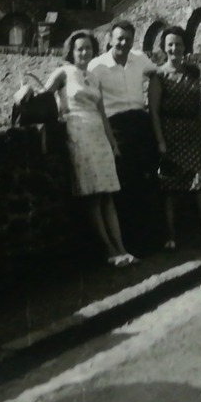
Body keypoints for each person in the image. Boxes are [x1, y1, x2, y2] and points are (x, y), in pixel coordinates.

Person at [31, 30, 134, 267]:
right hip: (77, 132)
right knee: (93, 196)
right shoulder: (64, 72)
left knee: (108, 195)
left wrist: (113, 143)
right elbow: (43, 95)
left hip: (98, 134)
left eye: (88, 48)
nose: (85, 52)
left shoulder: (94, 78)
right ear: (72, 51)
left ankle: (122, 248)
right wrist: (27, 94)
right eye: (80, 49)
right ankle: (109, 251)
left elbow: (102, 114)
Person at [86, 21, 167, 252]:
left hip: (141, 123)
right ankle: (131, 243)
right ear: (110, 39)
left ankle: (151, 240)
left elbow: (157, 73)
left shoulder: (139, 58)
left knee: (148, 179)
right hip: (116, 126)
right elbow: (90, 98)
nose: (124, 43)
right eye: (119, 38)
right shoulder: (96, 66)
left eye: (128, 39)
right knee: (124, 184)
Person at [150, 26, 201, 251]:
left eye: (179, 44)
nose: (175, 48)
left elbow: (199, 105)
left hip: (192, 133)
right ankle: (171, 236)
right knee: (171, 188)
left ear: (185, 47)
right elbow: (153, 111)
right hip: (171, 133)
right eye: (170, 44)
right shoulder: (159, 75)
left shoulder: (193, 72)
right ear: (164, 47)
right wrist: (161, 140)